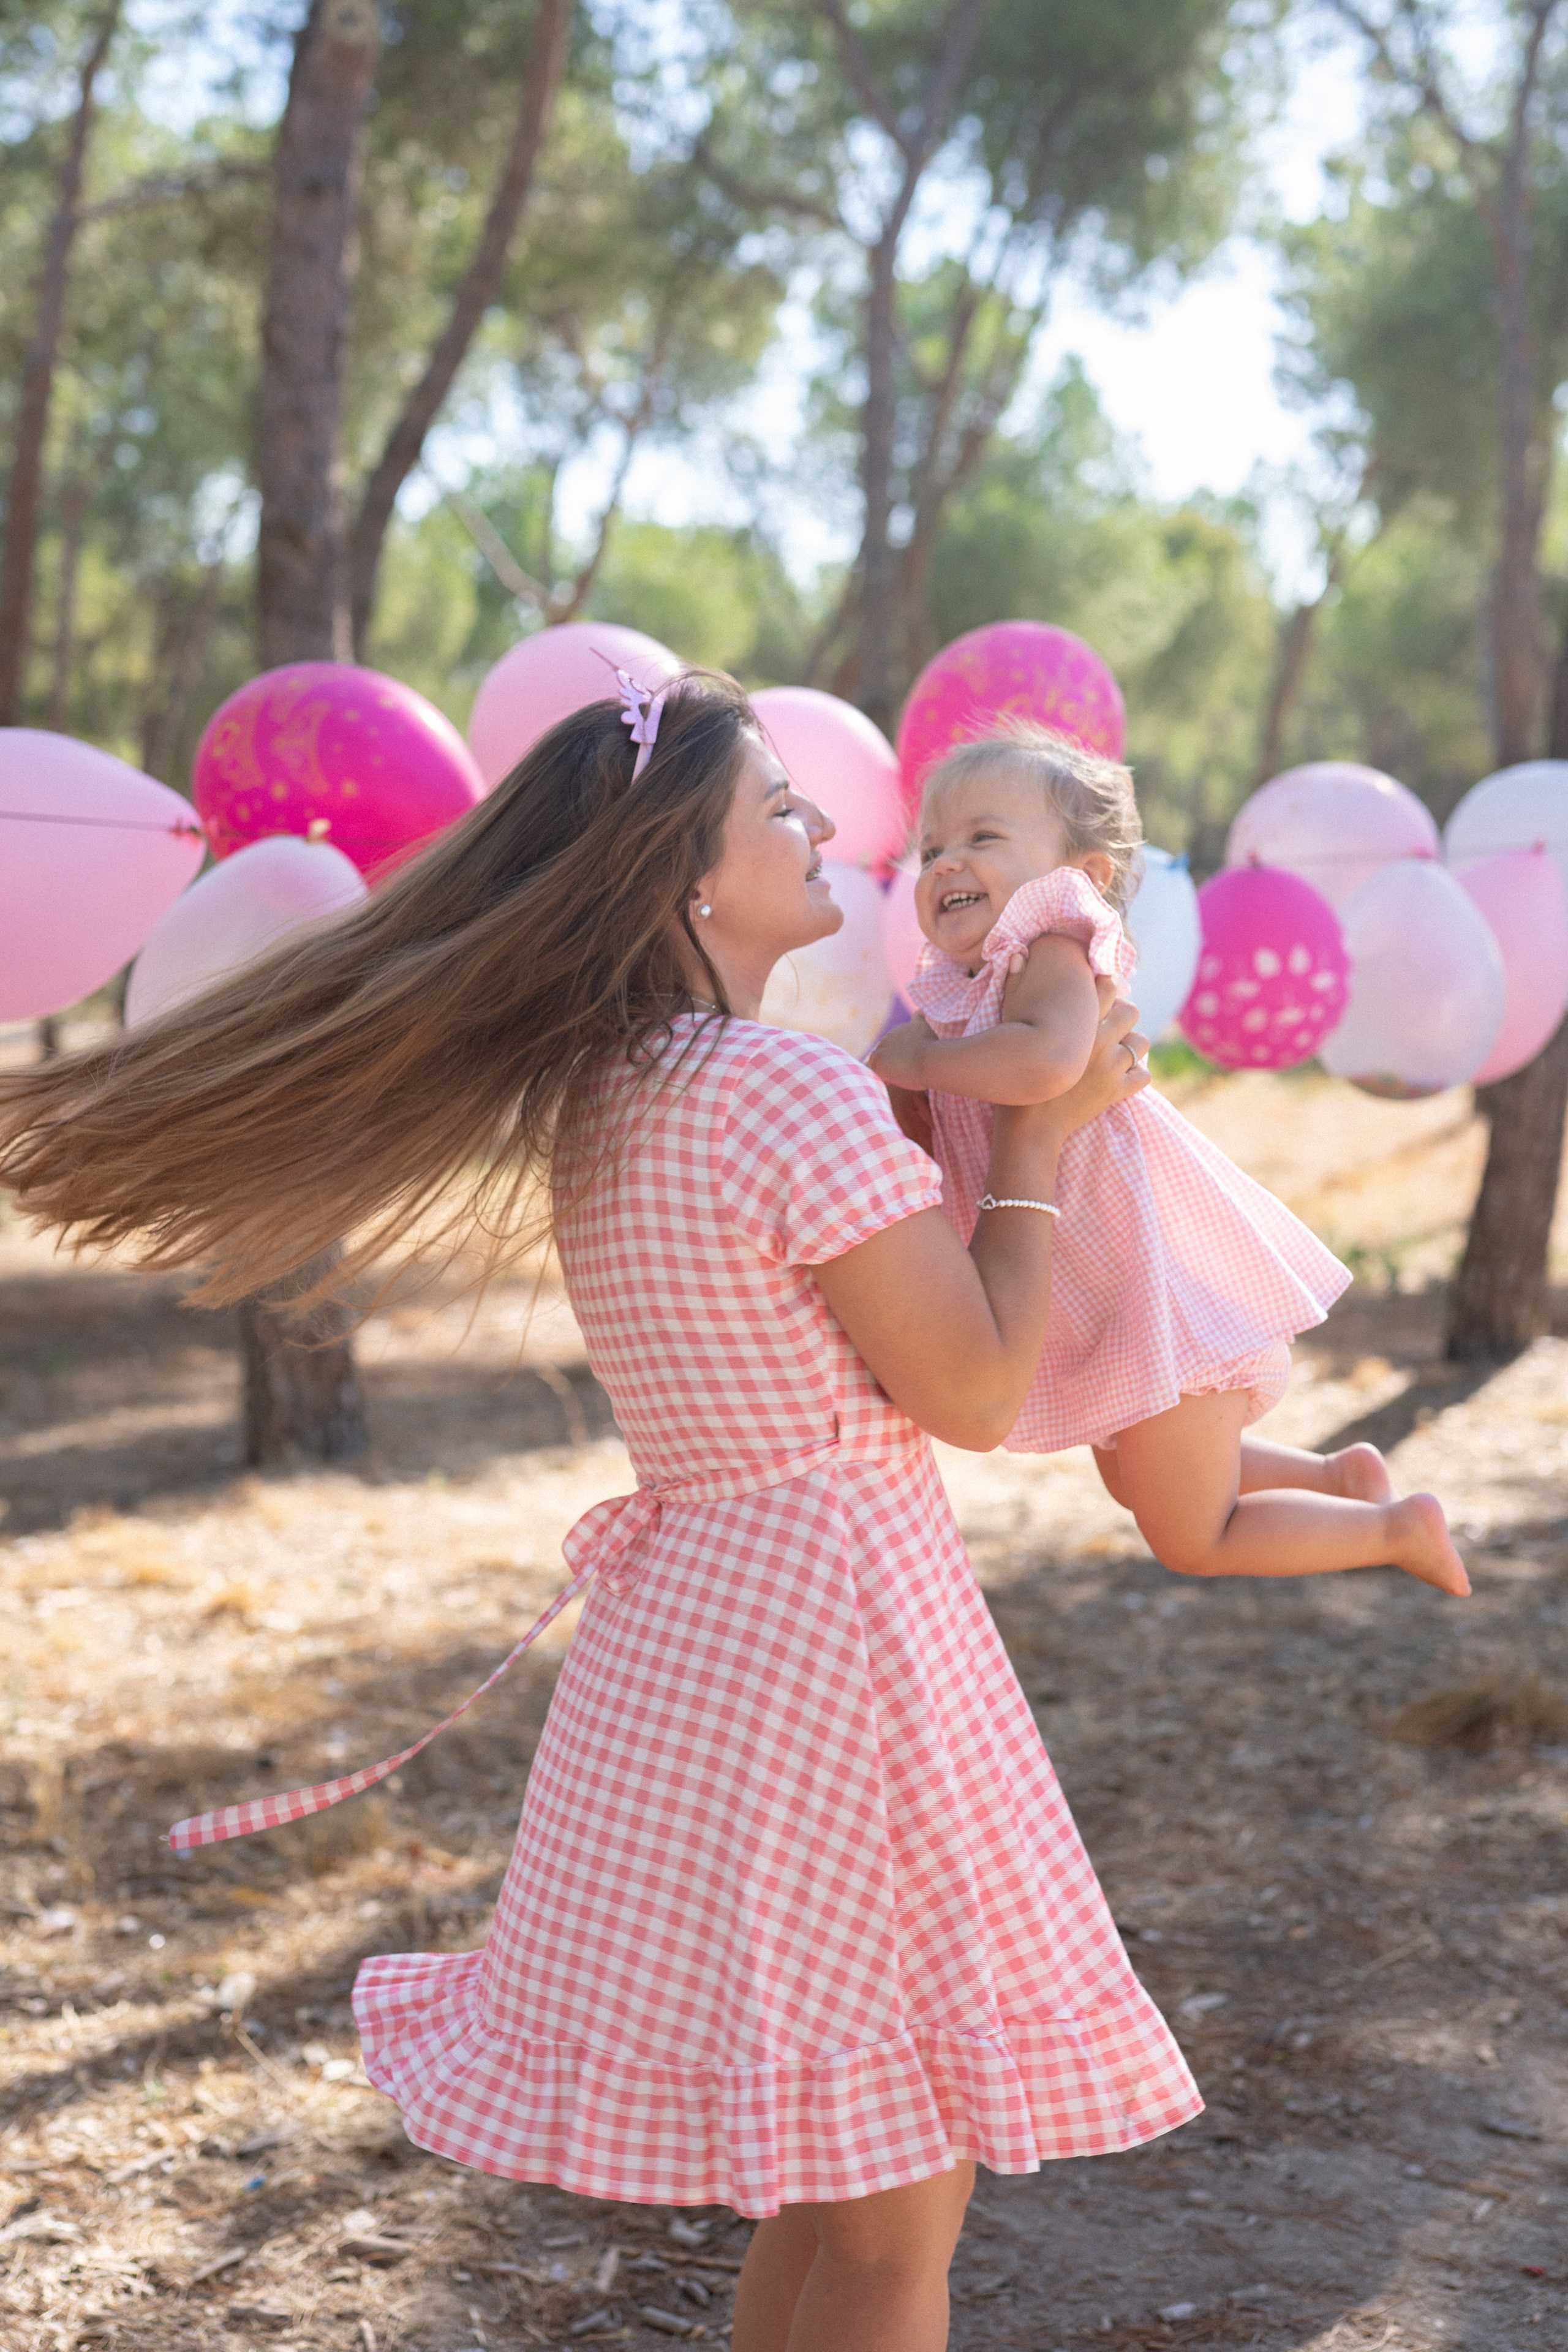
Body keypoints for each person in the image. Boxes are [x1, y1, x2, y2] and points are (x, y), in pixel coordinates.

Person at [869, 723, 1470, 1600]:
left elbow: (1048, 1065)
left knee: (1195, 1534)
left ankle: (1391, 1527)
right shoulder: (961, 993)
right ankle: (1339, 1479)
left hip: (1158, 1291)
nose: (947, 863)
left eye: (982, 838)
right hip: (1115, 1297)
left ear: (1080, 876)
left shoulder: (1050, 952)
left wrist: (918, 1063)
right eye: (932, 848)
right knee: (1135, 1478)